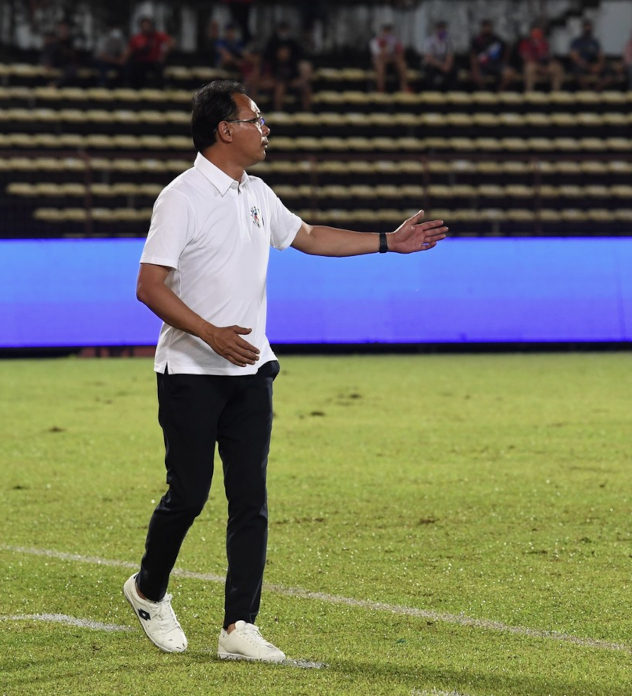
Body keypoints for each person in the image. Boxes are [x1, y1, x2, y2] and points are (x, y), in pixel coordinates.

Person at [123, 79, 446, 662]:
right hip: (191, 371)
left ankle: (238, 628)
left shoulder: (257, 193)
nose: (265, 128)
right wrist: (212, 334)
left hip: (252, 371)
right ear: (226, 130)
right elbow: (148, 286)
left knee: (251, 499)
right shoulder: (181, 197)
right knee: (189, 495)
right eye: (256, 120)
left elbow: (309, 236)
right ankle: (148, 590)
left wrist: (386, 243)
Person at [257, 21, 313, 111]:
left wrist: (298, 80)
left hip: (292, 80)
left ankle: (307, 111)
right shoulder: (273, 57)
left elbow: (297, 72)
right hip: (278, 81)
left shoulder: (293, 58)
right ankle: (278, 112)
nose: (284, 54)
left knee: (306, 88)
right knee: (280, 87)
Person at [123, 16, 175, 89]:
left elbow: (171, 42)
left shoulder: (158, 35)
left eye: (147, 26)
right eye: (144, 26)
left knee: (160, 70)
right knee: (134, 69)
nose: (146, 28)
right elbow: (129, 50)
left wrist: (165, 53)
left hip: (154, 62)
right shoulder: (137, 38)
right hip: (140, 62)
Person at [469, 19, 516, 92]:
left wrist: (504, 62)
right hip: (483, 66)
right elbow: (473, 56)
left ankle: (499, 91)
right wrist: (474, 69)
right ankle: (484, 92)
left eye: (488, 27)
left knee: (510, 73)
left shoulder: (497, 39)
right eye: (485, 27)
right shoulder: (477, 40)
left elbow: (507, 50)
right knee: (475, 76)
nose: (486, 29)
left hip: (496, 65)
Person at [517, 23, 564, 92]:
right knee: (529, 67)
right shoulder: (524, 43)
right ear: (530, 32)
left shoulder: (544, 43)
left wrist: (546, 66)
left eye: (538, 32)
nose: (536, 34)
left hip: (544, 65)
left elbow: (547, 57)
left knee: (557, 67)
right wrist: (540, 67)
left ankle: (555, 92)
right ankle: (529, 92)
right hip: (533, 65)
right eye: (534, 32)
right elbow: (525, 58)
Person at [569, 20, 613, 90]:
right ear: (583, 28)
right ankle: (587, 91)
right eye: (586, 27)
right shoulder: (576, 42)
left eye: (589, 27)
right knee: (577, 72)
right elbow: (575, 57)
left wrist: (598, 66)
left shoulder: (595, 42)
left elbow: (601, 56)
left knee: (609, 74)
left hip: (594, 65)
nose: (588, 29)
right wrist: (588, 67)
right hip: (583, 66)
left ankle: (595, 91)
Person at [369, 24, 410, 93]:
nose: (387, 33)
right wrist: (384, 44)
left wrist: (397, 50)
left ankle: (404, 86)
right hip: (379, 61)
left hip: (391, 61)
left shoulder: (394, 41)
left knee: (402, 63)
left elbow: (400, 54)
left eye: (389, 31)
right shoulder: (374, 42)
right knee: (380, 63)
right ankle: (380, 87)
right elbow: (380, 55)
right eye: (386, 31)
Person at [41, 20, 78, 87]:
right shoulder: (53, 41)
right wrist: (47, 62)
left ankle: (56, 83)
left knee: (73, 69)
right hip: (54, 62)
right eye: (61, 29)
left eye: (65, 29)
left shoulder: (69, 42)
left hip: (65, 65)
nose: (63, 31)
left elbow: (73, 57)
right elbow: (46, 53)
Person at [420, 20, 455, 91]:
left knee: (454, 70)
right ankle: (431, 92)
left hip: (443, 64)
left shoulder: (448, 41)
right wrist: (441, 66)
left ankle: (451, 91)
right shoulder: (429, 41)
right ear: (437, 29)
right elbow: (428, 58)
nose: (442, 30)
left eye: (444, 28)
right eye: (440, 28)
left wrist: (447, 65)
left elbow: (450, 55)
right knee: (430, 71)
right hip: (432, 64)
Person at [95, 23, 126, 87]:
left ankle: (122, 86)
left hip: (113, 61)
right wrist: (115, 60)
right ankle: (102, 85)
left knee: (125, 66)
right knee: (102, 66)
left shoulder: (120, 39)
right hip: (102, 60)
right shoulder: (104, 38)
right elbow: (101, 55)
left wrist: (122, 59)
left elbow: (124, 51)